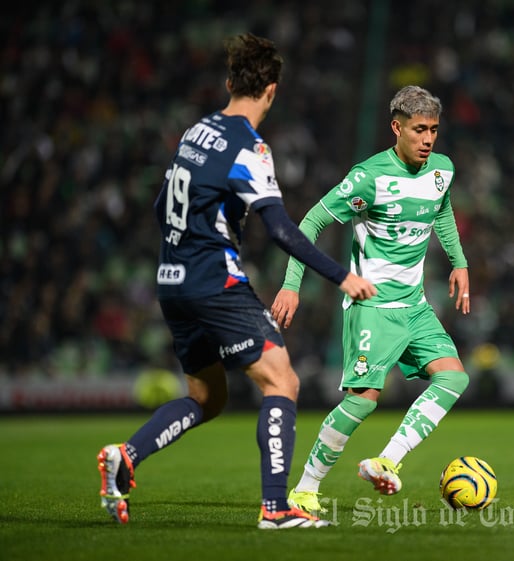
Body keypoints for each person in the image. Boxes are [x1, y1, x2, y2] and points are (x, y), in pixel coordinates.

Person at [96, 33, 376, 530]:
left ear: (229, 83)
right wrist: (341, 276)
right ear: (272, 90)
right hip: (214, 283)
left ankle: (127, 455)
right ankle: (276, 507)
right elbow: (281, 229)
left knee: (208, 398)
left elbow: (162, 207)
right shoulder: (251, 148)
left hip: (171, 280)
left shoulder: (194, 132)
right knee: (281, 380)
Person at [270, 85, 471, 515]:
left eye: (434, 130)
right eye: (419, 130)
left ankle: (387, 460)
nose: (428, 139)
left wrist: (459, 262)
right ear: (396, 128)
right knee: (362, 400)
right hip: (373, 307)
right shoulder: (369, 178)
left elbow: (442, 210)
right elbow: (312, 221)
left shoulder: (442, 170)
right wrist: (292, 284)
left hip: (414, 306)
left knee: (454, 378)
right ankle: (305, 489)